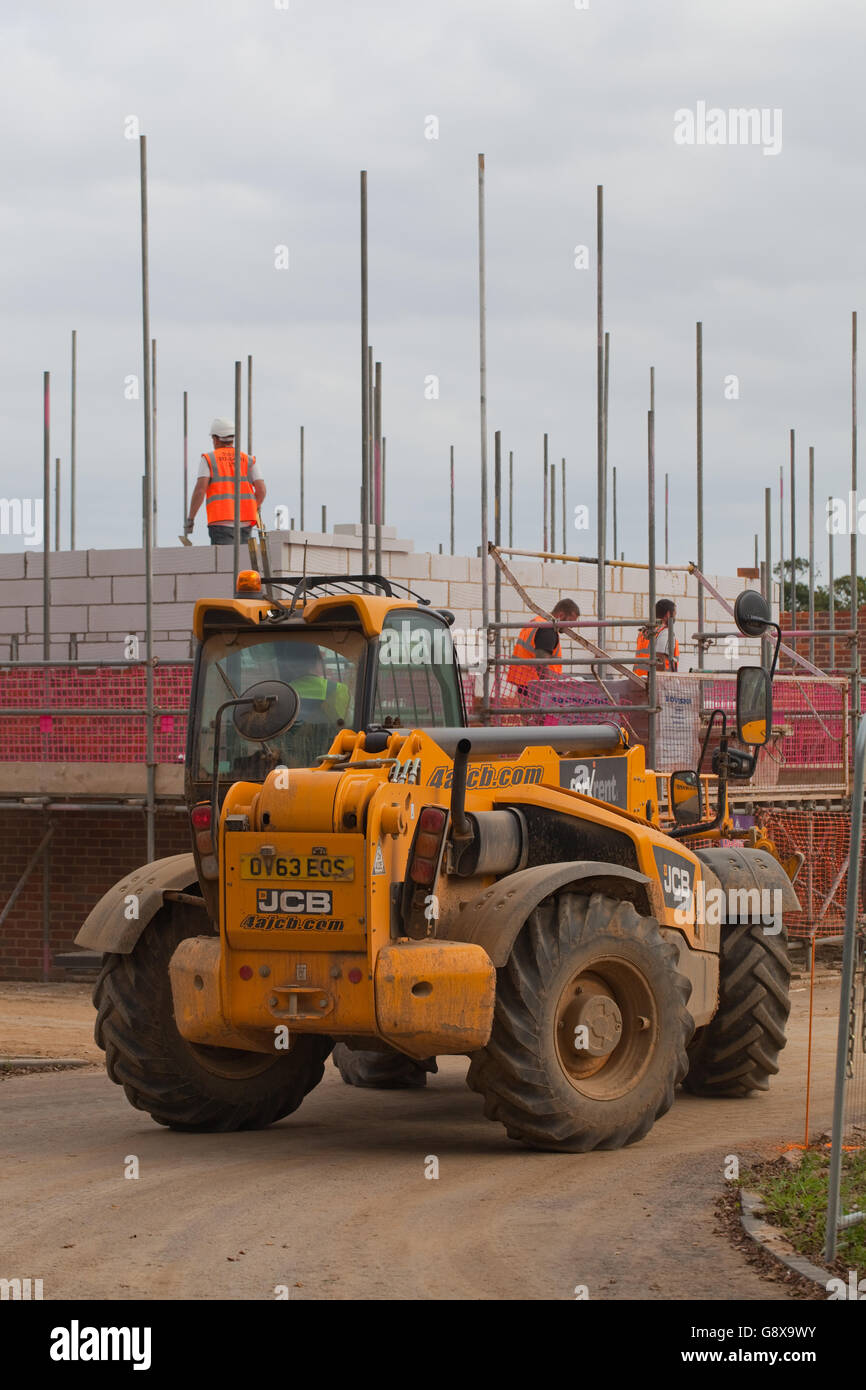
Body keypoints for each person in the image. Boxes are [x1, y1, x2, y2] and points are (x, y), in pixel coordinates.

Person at [185, 416, 266, 546]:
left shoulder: (209, 459)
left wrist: (191, 518)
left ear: (216, 439)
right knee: (243, 563)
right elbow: (261, 491)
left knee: (224, 564)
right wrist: (253, 507)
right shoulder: (249, 460)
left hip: (220, 521)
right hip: (245, 521)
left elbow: (200, 490)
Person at [505, 599, 580, 687]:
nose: (571, 626)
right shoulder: (548, 629)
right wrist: (549, 688)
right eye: (570, 621)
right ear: (561, 615)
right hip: (535, 687)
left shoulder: (537, 622)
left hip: (525, 682)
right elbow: (541, 665)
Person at [635, 598, 680, 679]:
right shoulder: (665, 632)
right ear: (668, 614)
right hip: (653, 683)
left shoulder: (643, 632)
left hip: (639, 680)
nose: (675, 618)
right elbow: (659, 659)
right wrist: (659, 684)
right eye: (674, 614)